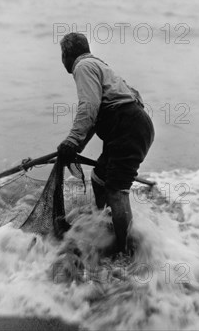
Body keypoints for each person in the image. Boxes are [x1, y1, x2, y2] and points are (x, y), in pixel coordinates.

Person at [56, 32, 155, 255]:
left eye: (61, 56)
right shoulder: (99, 65)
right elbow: (96, 116)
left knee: (116, 190)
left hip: (127, 127)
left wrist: (71, 140)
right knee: (99, 178)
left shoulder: (83, 66)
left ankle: (124, 251)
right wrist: (76, 147)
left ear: (66, 55)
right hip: (132, 126)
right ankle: (106, 223)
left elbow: (88, 107)